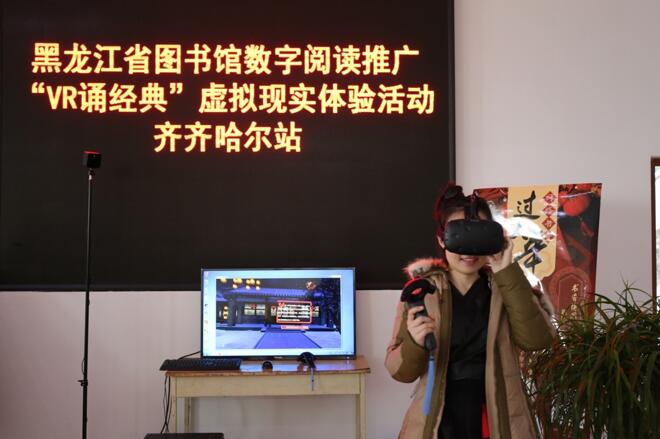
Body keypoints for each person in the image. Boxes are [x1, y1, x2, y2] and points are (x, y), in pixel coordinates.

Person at [385, 184, 556, 439]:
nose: (468, 250)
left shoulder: (508, 288)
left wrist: (506, 272)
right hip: (437, 422)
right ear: (442, 239)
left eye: (478, 236)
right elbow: (399, 371)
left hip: (497, 418)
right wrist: (414, 342)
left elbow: (537, 340)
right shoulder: (421, 293)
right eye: (459, 235)